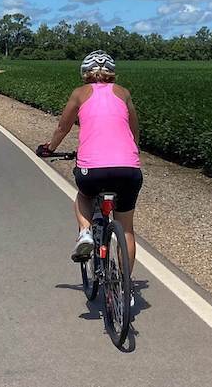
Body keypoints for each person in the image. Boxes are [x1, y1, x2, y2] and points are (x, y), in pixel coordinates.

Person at [41, 50, 142, 269]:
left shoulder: (79, 93)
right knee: (126, 229)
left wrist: (49, 148)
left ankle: (85, 232)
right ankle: (125, 282)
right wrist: (134, 151)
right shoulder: (123, 93)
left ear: (85, 72)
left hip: (92, 170)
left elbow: (63, 127)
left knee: (84, 195)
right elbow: (134, 129)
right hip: (128, 169)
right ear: (112, 73)